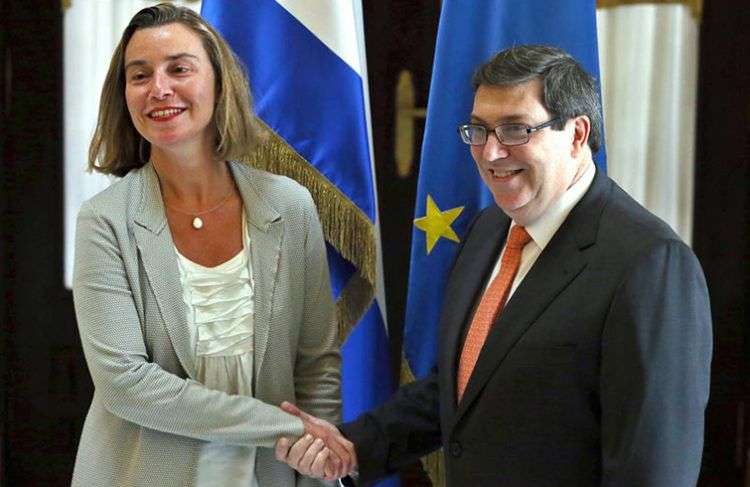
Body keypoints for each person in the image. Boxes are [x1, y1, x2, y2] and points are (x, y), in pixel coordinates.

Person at [275, 44, 713, 486]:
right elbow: (466, 386)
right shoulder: (489, 230)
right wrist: (356, 446)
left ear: (577, 134)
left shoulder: (649, 264)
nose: (490, 153)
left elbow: (654, 469)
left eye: (516, 130)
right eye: (479, 130)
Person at [71, 4, 349, 486]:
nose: (159, 88)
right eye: (140, 75)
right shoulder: (105, 220)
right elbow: (127, 386)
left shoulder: (290, 205)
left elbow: (316, 362)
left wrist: (315, 468)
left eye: (179, 68)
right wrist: (287, 428)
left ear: (219, 83)